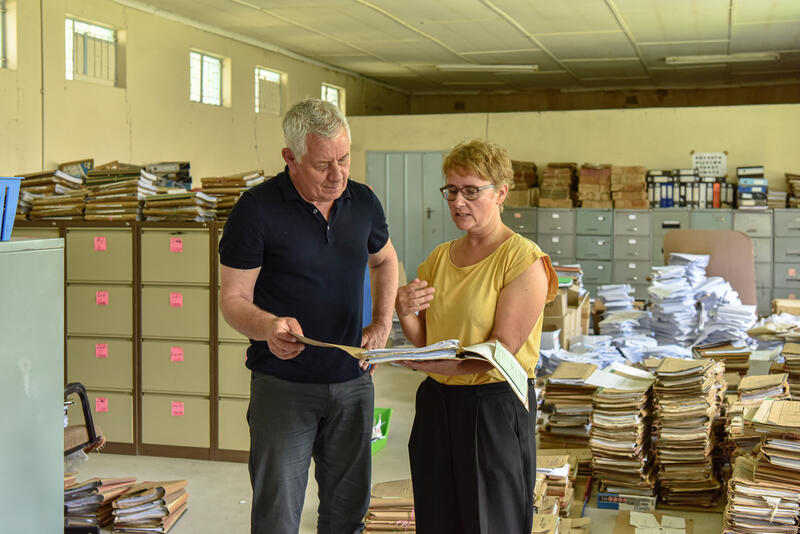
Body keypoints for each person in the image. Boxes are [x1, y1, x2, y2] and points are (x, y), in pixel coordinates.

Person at [218, 97, 398, 534]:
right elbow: (233, 298)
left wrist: (381, 323)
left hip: (354, 384)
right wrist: (267, 327)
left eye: (344, 159)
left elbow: (385, 261)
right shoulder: (256, 210)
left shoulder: (363, 202)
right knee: (277, 517)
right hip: (284, 389)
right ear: (290, 158)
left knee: (347, 514)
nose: (337, 175)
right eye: (322, 165)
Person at [395, 139, 558, 533]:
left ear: (501, 192)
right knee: (438, 516)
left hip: (493, 407)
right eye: (452, 190)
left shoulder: (522, 260)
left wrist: (435, 364)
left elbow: (498, 353)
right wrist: (404, 311)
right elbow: (425, 339)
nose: (458, 202)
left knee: (491, 520)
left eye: (471, 191)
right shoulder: (438, 258)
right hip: (438, 403)